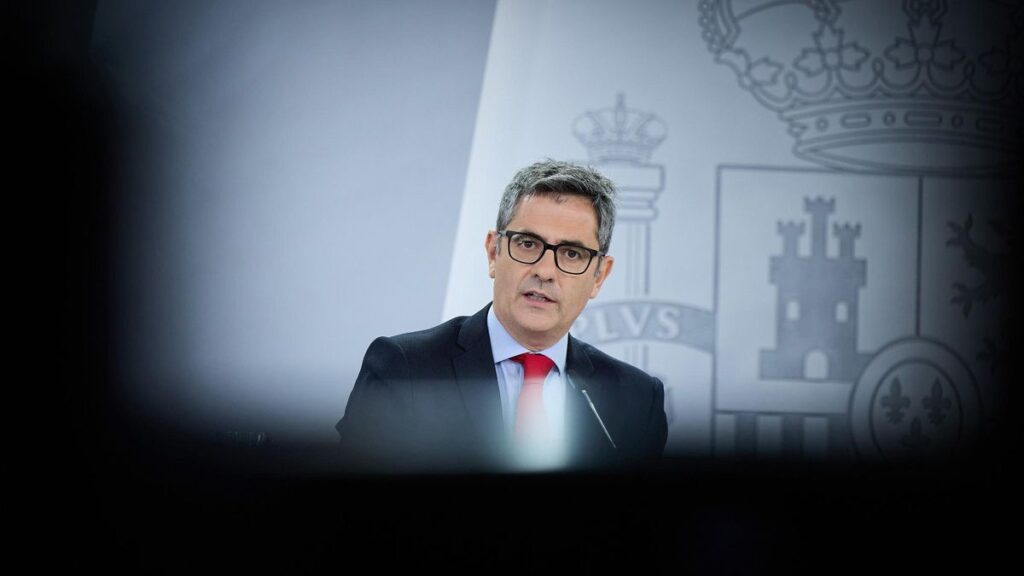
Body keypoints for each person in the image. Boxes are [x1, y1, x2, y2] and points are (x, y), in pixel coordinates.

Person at [336, 160, 668, 472]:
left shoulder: (636, 399)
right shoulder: (404, 369)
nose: (545, 271)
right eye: (527, 244)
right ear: (493, 253)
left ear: (599, 275)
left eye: (571, 253)